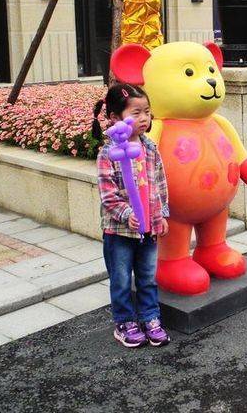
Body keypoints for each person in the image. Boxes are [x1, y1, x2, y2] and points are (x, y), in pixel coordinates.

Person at [92, 84, 171, 348]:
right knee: (122, 278)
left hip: (148, 229)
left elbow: (160, 184)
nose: (144, 118)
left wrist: (161, 216)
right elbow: (108, 194)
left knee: (148, 276)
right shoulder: (108, 153)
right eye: (136, 113)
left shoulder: (150, 147)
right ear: (115, 118)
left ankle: (150, 317)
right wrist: (127, 215)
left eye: (147, 112)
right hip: (120, 232)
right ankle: (124, 321)